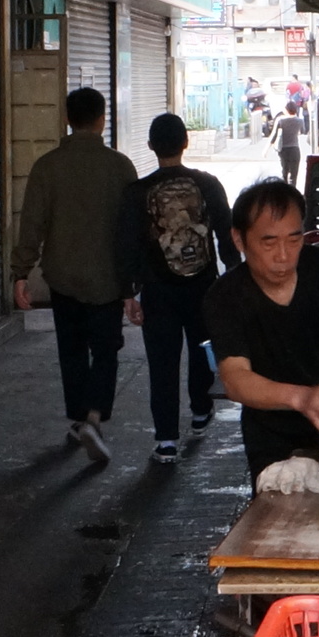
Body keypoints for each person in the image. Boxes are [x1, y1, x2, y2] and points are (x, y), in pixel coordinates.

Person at [205, 178, 319, 483]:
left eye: (294, 240)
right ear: (239, 240)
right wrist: (303, 398)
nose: (283, 255)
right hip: (273, 437)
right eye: (269, 242)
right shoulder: (224, 296)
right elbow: (236, 379)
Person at [12, 86, 136, 465]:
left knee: (71, 350)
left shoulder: (47, 166)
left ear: (67, 119)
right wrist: (133, 284)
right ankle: (94, 418)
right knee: (106, 349)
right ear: (102, 119)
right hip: (108, 277)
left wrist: (21, 273)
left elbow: (32, 223)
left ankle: (79, 418)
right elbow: (131, 228)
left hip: (63, 275)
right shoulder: (120, 166)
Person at [116, 112, 232, 465]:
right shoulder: (208, 184)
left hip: (157, 289)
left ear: (151, 146)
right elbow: (227, 235)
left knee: (162, 363)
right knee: (201, 349)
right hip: (203, 286)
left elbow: (126, 245)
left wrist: (128, 293)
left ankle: (166, 439)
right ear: (186, 142)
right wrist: (234, 280)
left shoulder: (137, 192)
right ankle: (200, 411)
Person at [274, 101, 307, 186]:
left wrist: (267, 148)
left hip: (283, 150)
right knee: (294, 175)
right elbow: (303, 131)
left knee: (284, 172)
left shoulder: (280, 120)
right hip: (295, 149)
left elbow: (274, 135)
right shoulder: (300, 121)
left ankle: (284, 192)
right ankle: (293, 193)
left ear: (286, 110)